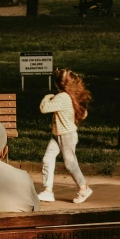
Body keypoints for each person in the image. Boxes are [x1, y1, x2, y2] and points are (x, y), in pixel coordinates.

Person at [38, 68, 92, 204]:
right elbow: (84, 114)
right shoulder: (69, 96)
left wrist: (47, 96)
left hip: (66, 135)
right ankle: (48, 191)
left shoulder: (62, 97)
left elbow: (44, 108)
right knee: (47, 159)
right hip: (57, 135)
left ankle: (84, 188)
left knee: (70, 164)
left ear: (58, 84)